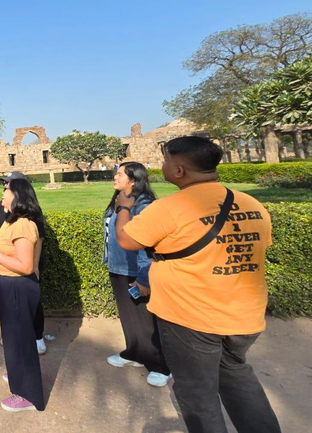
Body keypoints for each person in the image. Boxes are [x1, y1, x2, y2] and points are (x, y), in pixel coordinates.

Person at [116, 136, 281, 433]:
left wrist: (124, 207)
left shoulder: (171, 207)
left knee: (197, 394)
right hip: (244, 315)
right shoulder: (251, 203)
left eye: (166, 161)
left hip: (192, 317)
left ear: (179, 170)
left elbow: (127, 240)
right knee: (237, 378)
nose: (162, 166)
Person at [0, 179, 45, 412]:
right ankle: (17, 375)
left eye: (6, 190)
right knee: (14, 339)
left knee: (21, 341)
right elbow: (6, 245)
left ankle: (28, 395)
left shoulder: (23, 225)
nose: (2, 194)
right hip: (8, 285)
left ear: (17, 195)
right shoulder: (11, 220)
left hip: (18, 287)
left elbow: (25, 265)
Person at [103, 162, 171, 387]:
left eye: (120, 174)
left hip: (137, 270)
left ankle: (161, 366)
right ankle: (134, 353)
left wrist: (144, 277)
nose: (115, 177)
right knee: (129, 315)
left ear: (133, 180)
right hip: (119, 266)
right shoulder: (121, 200)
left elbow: (148, 245)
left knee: (145, 319)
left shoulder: (143, 205)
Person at [0, 171, 47, 355]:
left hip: (21, 265)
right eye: (5, 184)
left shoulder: (28, 212)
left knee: (30, 304)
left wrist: (35, 266)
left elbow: (38, 238)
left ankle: (37, 335)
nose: (4, 187)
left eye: (8, 185)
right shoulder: (4, 206)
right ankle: (14, 336)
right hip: (5, 262)